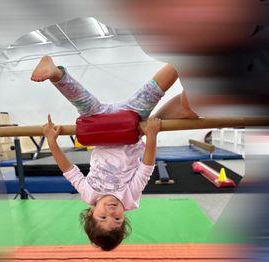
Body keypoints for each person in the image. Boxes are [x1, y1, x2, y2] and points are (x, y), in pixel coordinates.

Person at [31, 56, 197, 251]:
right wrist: (151, 136)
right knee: (155, 93)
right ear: (124, 217)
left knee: (81, 101)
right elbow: (146, 167)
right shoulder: (129, 197)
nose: (111, 211)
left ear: (90, 212)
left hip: (100, 122)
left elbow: (68, 170)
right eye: (117, 219)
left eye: (103, 217)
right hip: (131, 122)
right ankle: (184, 61)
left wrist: (51, 141)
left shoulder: (88, 193)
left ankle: (55, 74)